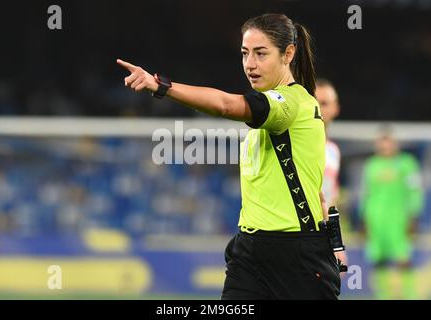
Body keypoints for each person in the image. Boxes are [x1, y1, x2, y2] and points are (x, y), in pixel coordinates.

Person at [117, 13, 342, 300]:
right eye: (245, 53)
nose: (250, 64)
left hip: (296, 256)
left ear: (288, 54)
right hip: (250, 251)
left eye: (261, 54)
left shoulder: (294, 102)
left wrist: (162, 86)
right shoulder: (268, 115)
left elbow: (226, 105)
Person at [359, 131, 424, 299]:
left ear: (395, 144)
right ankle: (383, 295)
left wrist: (414, 214)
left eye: (388, 143)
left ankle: (410, 295)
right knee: (378, 260)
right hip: (376, 219)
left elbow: (415, 190)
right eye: (381, 144)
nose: (384, 147)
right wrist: (364, 217)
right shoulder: (371, 165)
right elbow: (365, 193)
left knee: (404, 259)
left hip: (399, 219)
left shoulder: (407, 164)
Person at [315, 79, 348, 268]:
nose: (318, 108)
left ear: (336, 108)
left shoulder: (333, 150)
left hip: (323, 236)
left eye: (324, 103)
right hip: (298, 235)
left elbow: (331, 197)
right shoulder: (295, 145)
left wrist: (337, 244)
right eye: (315, 101)